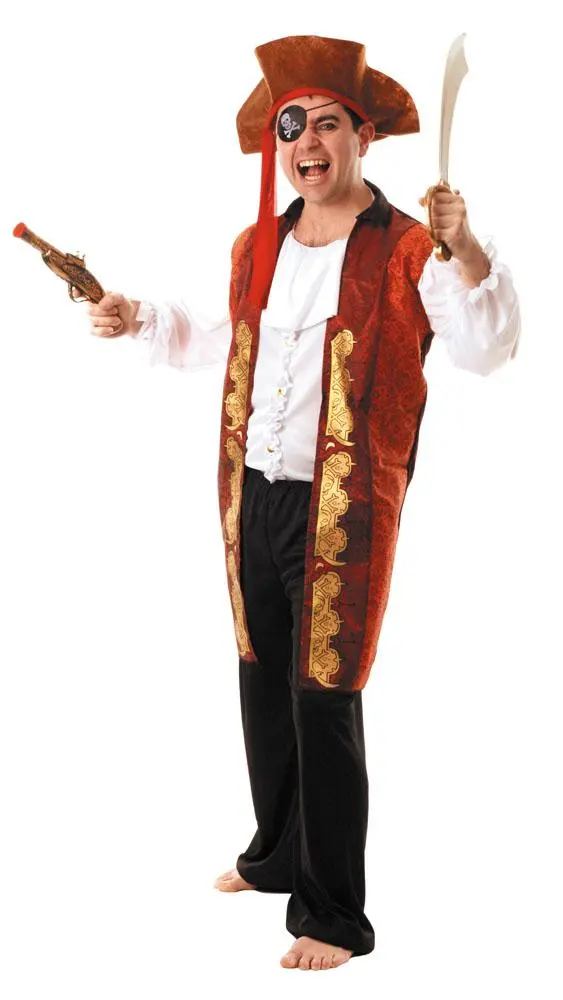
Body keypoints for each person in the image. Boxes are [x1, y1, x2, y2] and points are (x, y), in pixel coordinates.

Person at [81, 35, 520, 972]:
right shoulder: (260, 243)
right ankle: (277, 854)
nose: (307, 142)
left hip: (344, 507)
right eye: (292, 126)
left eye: (326, 123)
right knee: (260, 674)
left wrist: (465, 246)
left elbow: (485, 348)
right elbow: (221, 337)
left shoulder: (408, 248)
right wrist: (136, 315)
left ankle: (333, 913)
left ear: (362, 136)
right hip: (250, 496)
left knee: (324, 695)